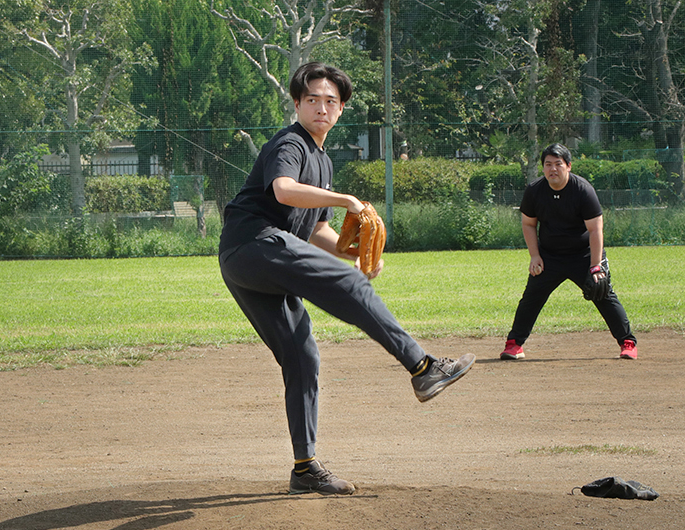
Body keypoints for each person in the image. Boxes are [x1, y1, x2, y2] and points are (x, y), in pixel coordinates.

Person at [218, 62, 476, 496]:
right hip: (255, 244)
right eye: (312, 99)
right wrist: (348, 201)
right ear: (298, 104)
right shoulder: (291, 143)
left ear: (341, 111)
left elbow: (317, 229)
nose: (321, 107)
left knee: (303, 356)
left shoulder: (322, 161)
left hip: (249, 262)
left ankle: (305, 468)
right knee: (350, 287)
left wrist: (353, 252)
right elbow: (282, 189)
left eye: (330, 101)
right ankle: (424, 367)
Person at [500, 143, 637, 361]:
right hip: (550, 256)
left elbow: (595, 229)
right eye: (548, 164)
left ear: (568, 166)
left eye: (558, 164)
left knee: (603, 294)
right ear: (543, 167)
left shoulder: (582, 190)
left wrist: (595, 265)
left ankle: (627, 343)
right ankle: (514, 344)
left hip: (583, 254)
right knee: (531, 297)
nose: (552, 169)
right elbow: (528, 224)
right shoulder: (535, 190)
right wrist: (535, 255)